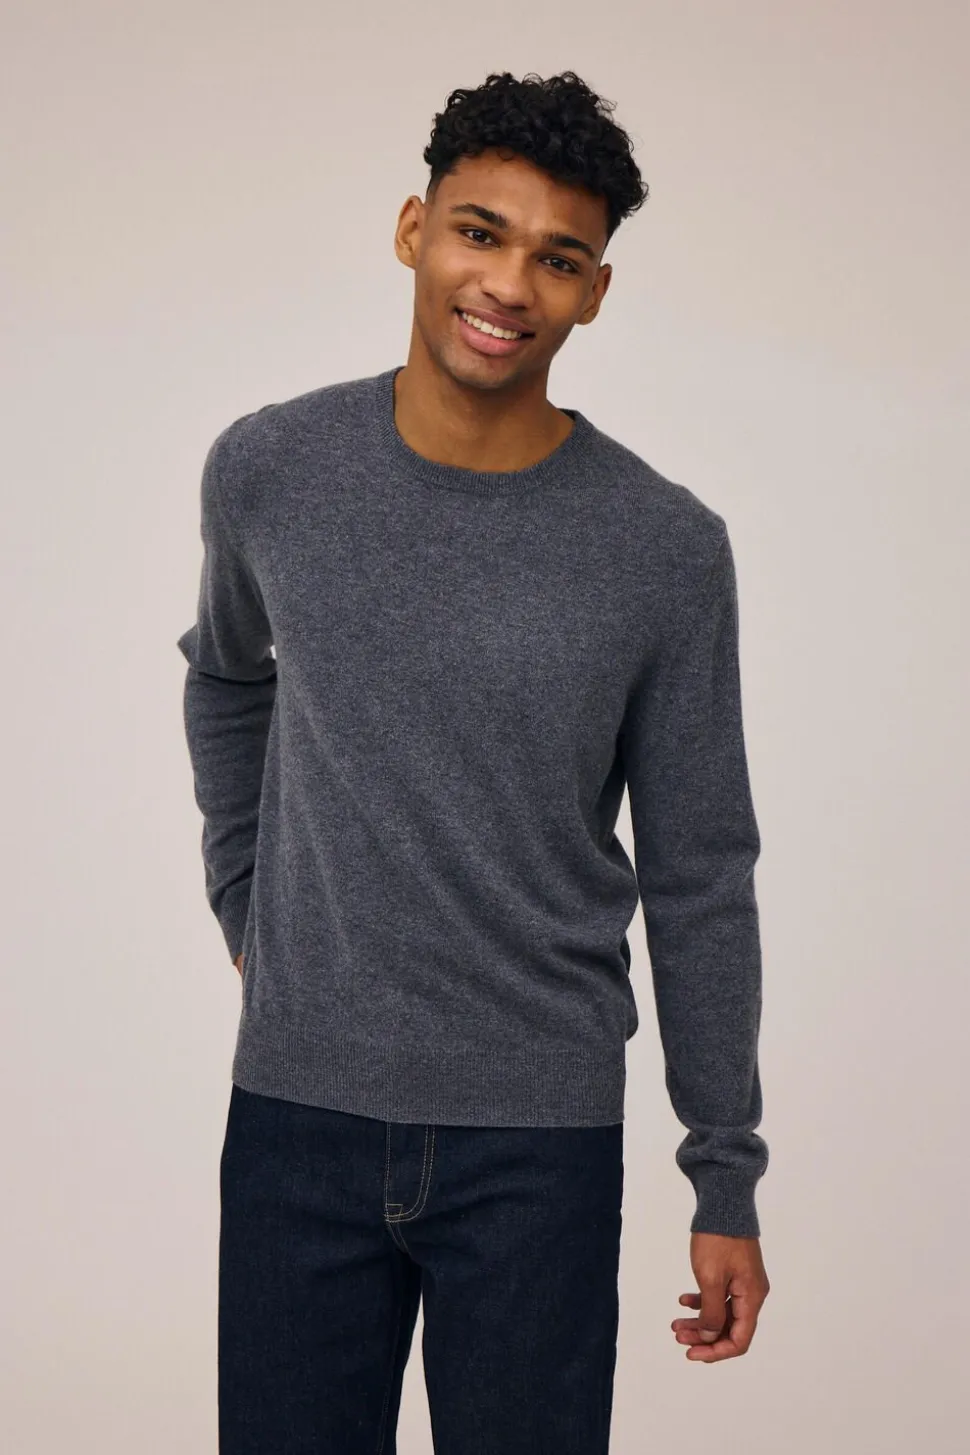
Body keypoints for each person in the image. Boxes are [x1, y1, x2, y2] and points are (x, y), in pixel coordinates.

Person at [177, 68, 770, 1455]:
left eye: (557, 258)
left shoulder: (664, 549)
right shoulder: (270, 470)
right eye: (478, 232)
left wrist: (723, 1174)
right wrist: (244, 897)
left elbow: (699, 873)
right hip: (297, 1115)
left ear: (594, 292)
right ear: (413, 229)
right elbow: (226, 675)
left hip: (536, 1144)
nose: (507, 283)